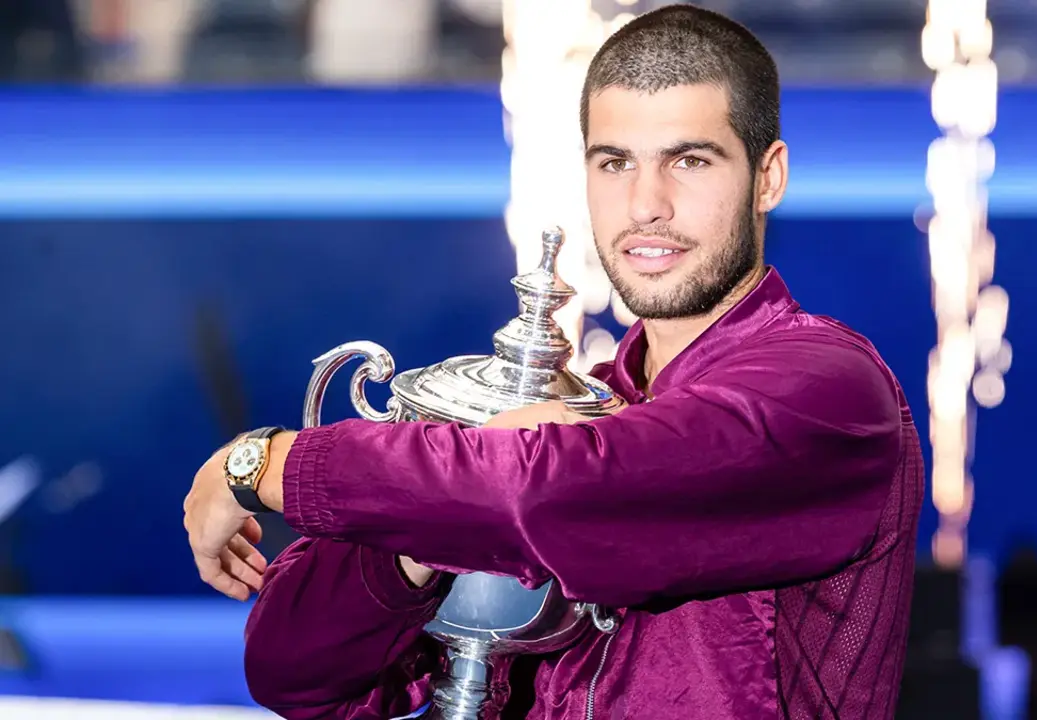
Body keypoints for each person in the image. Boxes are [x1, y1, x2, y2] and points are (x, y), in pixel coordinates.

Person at [182, 5, 923, 719]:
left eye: (690, 161)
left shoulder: (830, 392)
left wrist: (266, 463)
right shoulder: (581, 409)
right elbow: (291, 672)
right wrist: (424, 528)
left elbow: (553, 487)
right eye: (615, 162)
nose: (645, 204)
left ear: (768, 177)